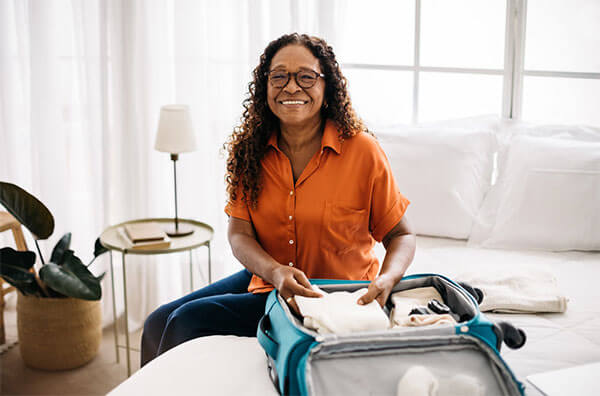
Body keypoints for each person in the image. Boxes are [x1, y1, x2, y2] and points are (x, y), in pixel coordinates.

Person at [140, 33, 416, 367]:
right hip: (269, 279)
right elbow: (239, 234)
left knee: (186, 321)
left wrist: (387, 279)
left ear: (326, 87)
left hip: (330, 295)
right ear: (265, 86)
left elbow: (401, 234)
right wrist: (274, 270)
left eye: (306, 77)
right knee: (156, 323)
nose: (291, 87)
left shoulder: (362, 151)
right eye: (279, 76)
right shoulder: (249, 150)